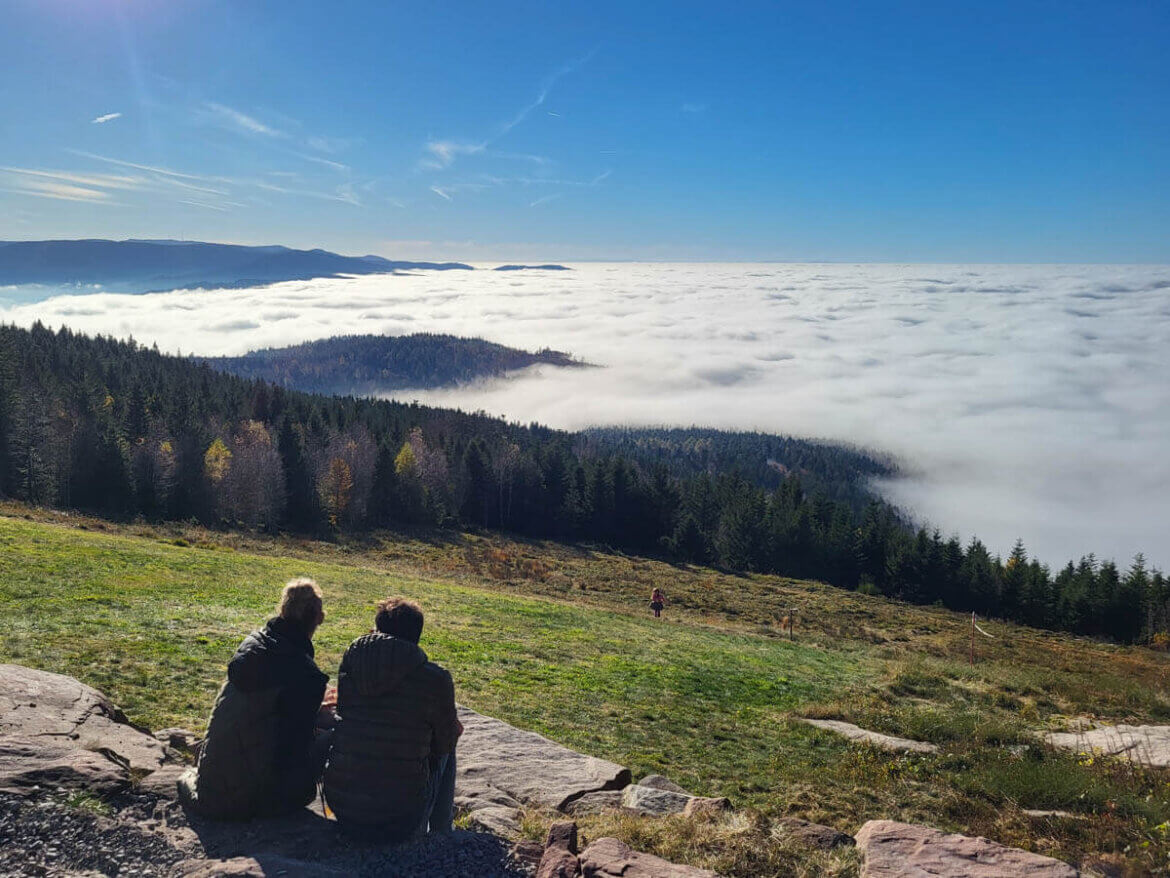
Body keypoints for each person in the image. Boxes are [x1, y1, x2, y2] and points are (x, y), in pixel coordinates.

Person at [178, 578, 331, 820]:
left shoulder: (253, 644)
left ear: (282, 610)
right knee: (331, 737)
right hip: (251, 799)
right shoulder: (306, 675)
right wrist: (320, 719)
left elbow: (267, 706)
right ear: (317, 618)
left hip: (211, 786)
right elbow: (293, 749)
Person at [323, 597, 461, 841]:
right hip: (400, 818)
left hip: (344, 807)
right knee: (450, 742)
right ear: (416, 634)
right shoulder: (436, 679)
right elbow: (445, 743)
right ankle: (442, 834)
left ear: (378, 629)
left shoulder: (351, 661)